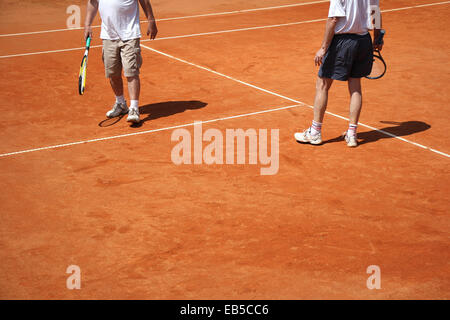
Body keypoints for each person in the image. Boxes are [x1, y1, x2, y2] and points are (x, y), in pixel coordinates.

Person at [295, 0, 383, 147]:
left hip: (342, 42)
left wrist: (323, 48)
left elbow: (333, 19)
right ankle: (352, 134)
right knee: (355, 87)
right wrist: (378, 37)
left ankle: (315, 133)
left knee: (322, 84)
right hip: (363, 41)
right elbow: (376, 13)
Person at [84, 0, 158, 124]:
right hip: (108, 35)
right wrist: (87, 24)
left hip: (130, 34)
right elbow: (93, 3)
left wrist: (151, 20)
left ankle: (134, 108)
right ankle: (121, 103)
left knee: (131, 71)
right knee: (112, 73)